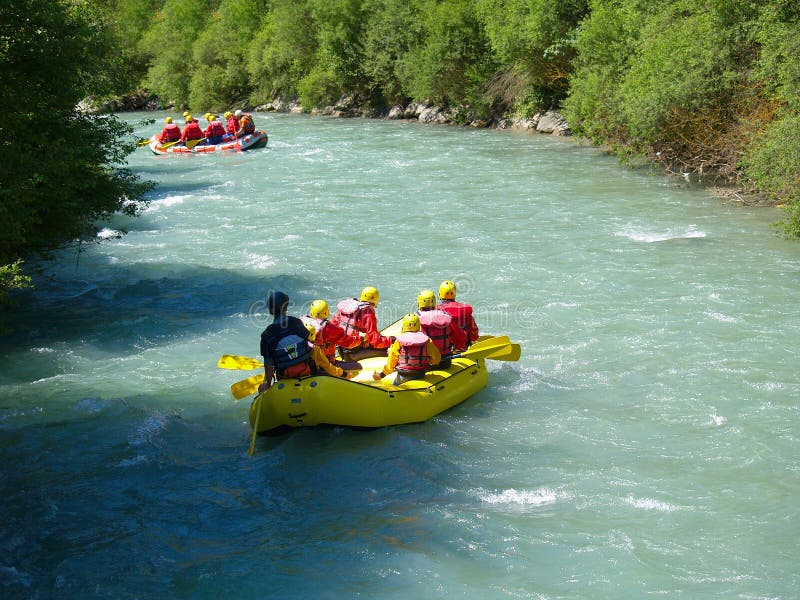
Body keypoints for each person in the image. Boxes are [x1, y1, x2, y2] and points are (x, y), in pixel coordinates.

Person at [258, 291, 353, 393]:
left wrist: (267, 383)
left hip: (284, 376)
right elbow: (308, 342)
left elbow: (268, 363)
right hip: (307, 371)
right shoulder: (296, 323)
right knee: (314, 348)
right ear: (286, 307)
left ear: (270, 310)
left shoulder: (267, 334)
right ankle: (339, 373)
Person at [373, 313, 441, 385]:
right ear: (418, 325)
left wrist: (382, 375)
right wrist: (428, 362)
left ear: (404, 326)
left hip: (403, 375)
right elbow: (437, 359)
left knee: (395, 385)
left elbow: (391, 362)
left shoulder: (398, 341)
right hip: (420, 373)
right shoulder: (427, 341)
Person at [332, 286, 394, 360]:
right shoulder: (368, 314)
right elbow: (376, 341)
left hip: (342, 351)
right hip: (354, 354)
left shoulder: (346, 308)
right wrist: (393, 339)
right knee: (393, 349)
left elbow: (334, 326)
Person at [301, 299, 363, 366]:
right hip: (325, 364)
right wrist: (361, 339)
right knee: (357, 366)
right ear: (326, 312)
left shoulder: (303, 322)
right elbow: (348, 342)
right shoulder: (328, 327)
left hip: (309, 363)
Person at [416, 289, 467, 367]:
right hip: (445, 361)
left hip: (424, 363)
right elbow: (460, 336)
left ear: (419, 303)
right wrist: (460, 348)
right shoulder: (445, 316)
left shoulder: (415, 319)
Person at [436, 279, 479, 347]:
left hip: (446, 349)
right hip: (464, 346)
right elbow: (473, 330)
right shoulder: (465, 310)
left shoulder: (437, 311)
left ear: (439, 294)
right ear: (454, 294)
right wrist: (474, 339)